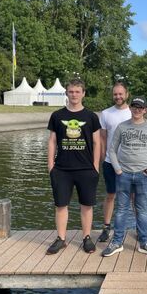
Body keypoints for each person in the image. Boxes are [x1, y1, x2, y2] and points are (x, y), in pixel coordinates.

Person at [102, 96, 147, 257]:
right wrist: (118, 169)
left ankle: (144, 242)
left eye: (140, 107)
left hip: (143, 176)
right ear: (131, 108)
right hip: (124, 175)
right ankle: (117, 242)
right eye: (134, 107)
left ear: (145, 110)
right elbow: (112, 150)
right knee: (121, 210)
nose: (137, 110)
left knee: (142, 210)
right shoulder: (122, 127)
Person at [46, 78, 101, 255]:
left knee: (86, 205)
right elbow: (52, 141)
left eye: (78, 91)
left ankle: (86, 237)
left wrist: (95, 166)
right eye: (71, 91)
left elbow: (97, 142)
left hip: (86, 169)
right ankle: (61, 239)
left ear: (83, 93)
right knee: (61, 205)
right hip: (62, 169)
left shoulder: (91, 117)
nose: (74, 95)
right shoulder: (57, 116)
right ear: (66, 93)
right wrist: (50, 165)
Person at [98, 82, 132, 242]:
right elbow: (102, 138)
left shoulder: (134, 113)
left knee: (134, 196)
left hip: (130, 163)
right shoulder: (105, 114)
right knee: (111, 194)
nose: (118, 97)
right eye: (115, 94)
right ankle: (106, 227)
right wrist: (101, 159)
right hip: (110, 162)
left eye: (121, 94)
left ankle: (139, 227)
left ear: (127, 94)